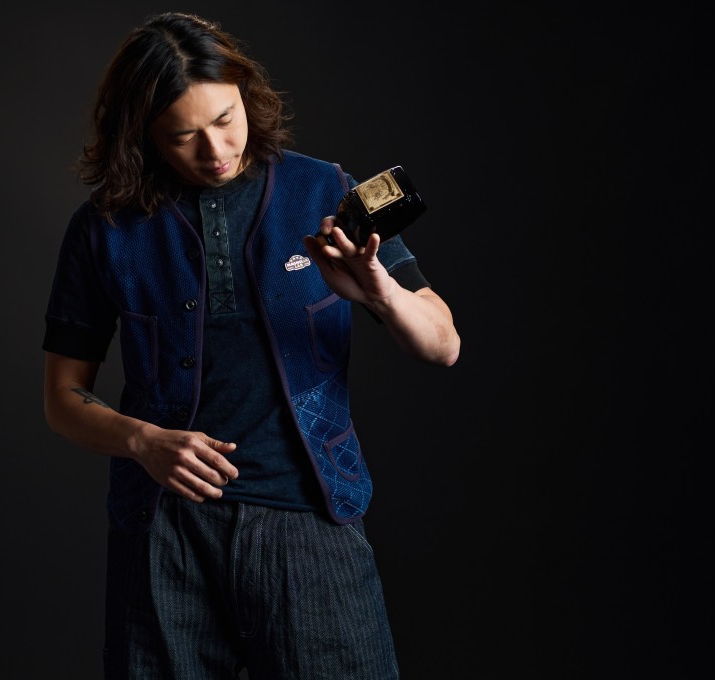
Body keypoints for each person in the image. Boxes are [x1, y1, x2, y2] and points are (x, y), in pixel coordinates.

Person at [41, 11, 460, 680]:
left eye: (227, 118)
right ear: (142, 135)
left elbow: (443, 345)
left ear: (247, 96)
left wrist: (379, 290)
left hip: (310, 523)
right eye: (184, 136)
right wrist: (141, 441)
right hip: (163, 534)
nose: (215, 151)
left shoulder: (323, 188)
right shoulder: (103, 229)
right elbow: (62, 399)